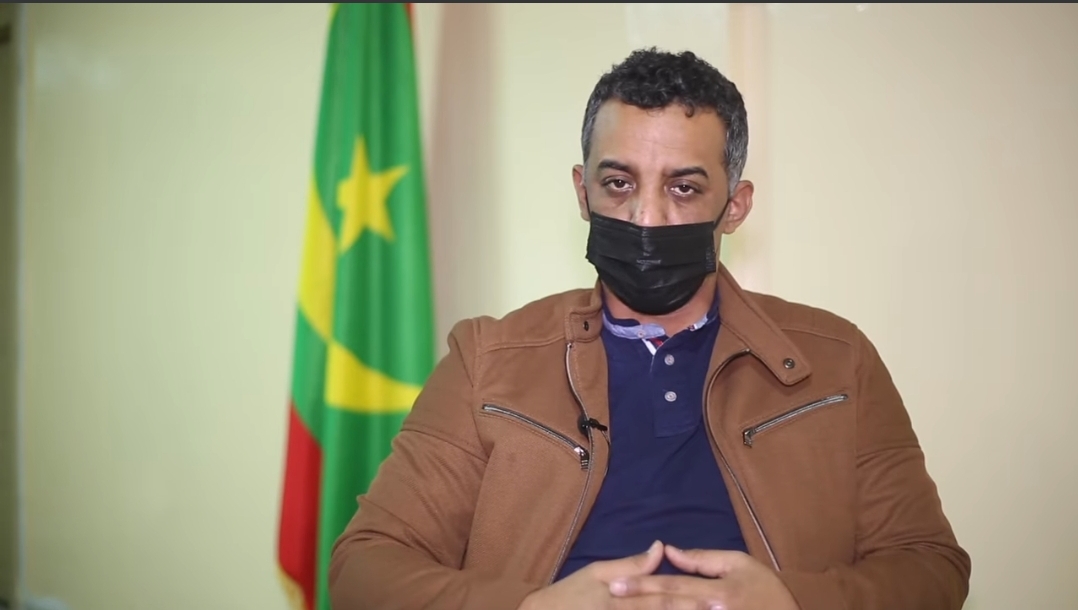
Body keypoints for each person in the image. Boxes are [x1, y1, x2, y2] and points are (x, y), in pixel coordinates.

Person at [328, 48, 971, 610]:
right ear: (582, 192)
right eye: (618, 183)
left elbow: (929, 567)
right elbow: (365, 567)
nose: (646, 217)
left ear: (735, 206)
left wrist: (794, 602)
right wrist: (530, 608)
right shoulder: (486, 360)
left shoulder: (836, 360)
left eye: (684, 189)